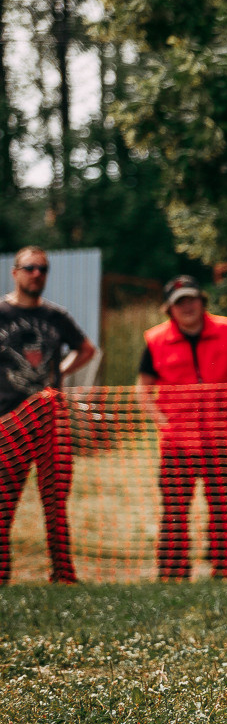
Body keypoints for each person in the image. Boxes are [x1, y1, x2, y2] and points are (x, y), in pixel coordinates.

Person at [135, 275, 227, 580]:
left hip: (219, 437)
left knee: (222, 507)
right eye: (179, 302)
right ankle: (173, 574)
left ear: (202, 301)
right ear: (169, 308)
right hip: (176, 442)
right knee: (174, 512)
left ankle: (226, 570)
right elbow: (142, 391)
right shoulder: (155, 339)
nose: (187, 306)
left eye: (191, 299)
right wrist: (163, 423)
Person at [0, 246, 96, 585]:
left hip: (50, 421)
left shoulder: (57, 317)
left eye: (42, 269)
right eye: (30, 268)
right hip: (8, 422)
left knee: (56, 503)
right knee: (3, 502)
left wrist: (60, 374)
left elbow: (87, 350)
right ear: (15, 272)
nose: (37, 274)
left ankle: (63, 575)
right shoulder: (1, 313)